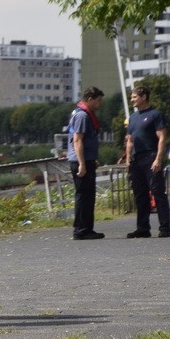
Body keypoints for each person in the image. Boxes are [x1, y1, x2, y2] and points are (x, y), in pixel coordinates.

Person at [124, 85, 170, 238]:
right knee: (140, 194)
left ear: (144, 97)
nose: (132, 100)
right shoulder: (132, 117)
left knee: (157, 191)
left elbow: (162, 138)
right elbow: (130, 140)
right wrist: (128, 158)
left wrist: (158, 158)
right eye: (131, 97)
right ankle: (143, 228)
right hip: (137, 159)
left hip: (151, 156)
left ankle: (165, 227)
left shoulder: (155, 115)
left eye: (134, 97)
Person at [68, 86, 105, 240]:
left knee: (87, 195)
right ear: (90, 99)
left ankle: (85, 228)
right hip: (80, 161)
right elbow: (77, 140)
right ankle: (82, 230)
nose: (100, 104)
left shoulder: (79, 112)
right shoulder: (83, 115)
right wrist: (83, 163)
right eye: (98, 100)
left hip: (85, 159)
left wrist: (91, 159)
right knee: (84, 196)